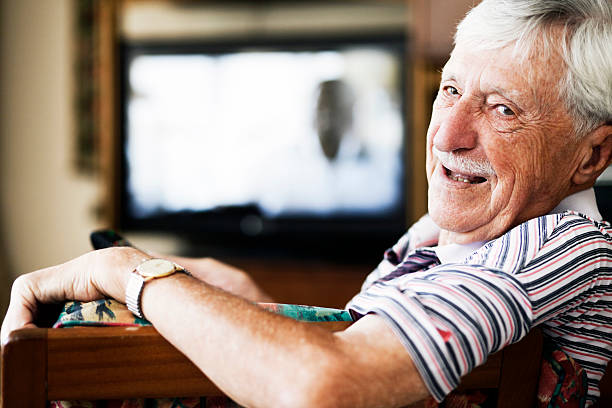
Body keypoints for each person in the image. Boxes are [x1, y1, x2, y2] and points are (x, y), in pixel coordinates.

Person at [3, 0, 612, 406]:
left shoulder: (561, 245)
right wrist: (244, 297)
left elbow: (325, 387)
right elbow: (369, 347)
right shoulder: (451, 231)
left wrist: (131, 272)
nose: (448, 135)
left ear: (590, 156)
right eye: (450, 90)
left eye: (503, 109)